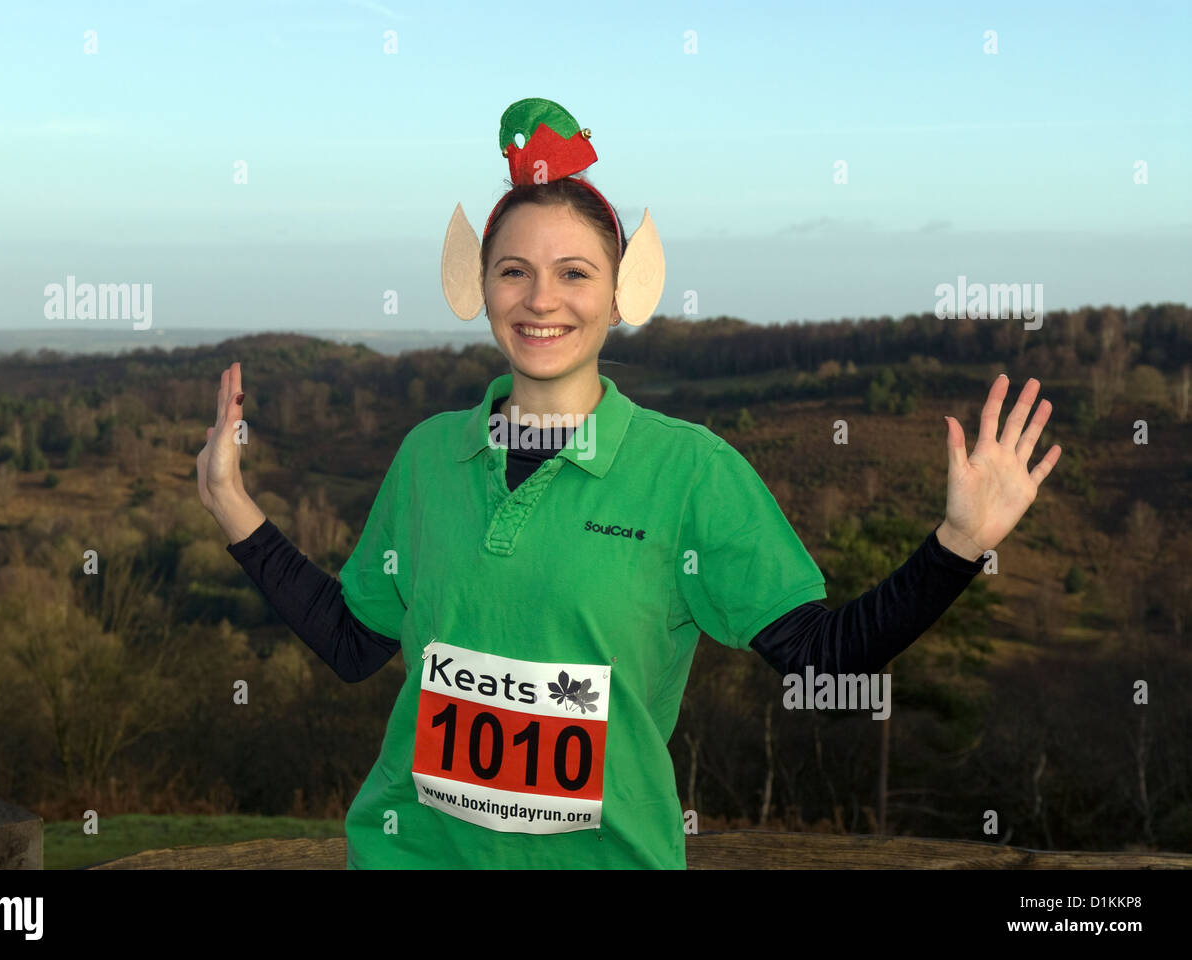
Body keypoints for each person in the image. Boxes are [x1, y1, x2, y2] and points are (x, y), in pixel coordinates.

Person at [195, 98, 1062, 869]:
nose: (542, 299)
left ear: (620, 295)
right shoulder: (429, 458)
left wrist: (958, 547)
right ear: (478, 287)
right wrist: (233, 505)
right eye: (514, 270)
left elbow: (821, 659)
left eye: (575, 272)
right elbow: (354, 643)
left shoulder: (690, 472)